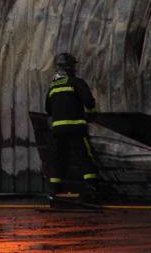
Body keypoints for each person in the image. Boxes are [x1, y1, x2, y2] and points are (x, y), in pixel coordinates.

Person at [44, 52, 99, 197]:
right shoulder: (77, 82)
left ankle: (55, 189)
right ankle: (91, 187)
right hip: (76, 127)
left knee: (59, 157)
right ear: (70, 67)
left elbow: (47, 109)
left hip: (58, 130)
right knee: (84, 155)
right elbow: (88, 101)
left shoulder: (53, 86)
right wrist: (92, 114)